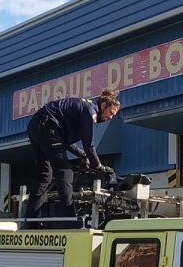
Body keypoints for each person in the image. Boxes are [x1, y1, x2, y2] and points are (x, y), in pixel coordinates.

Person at [25, 88, 121, 218]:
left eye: (113, 115)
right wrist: (99, 166)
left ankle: (30, 220)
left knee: (44, 175)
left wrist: (82, 155)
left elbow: (65, 142)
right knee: (65, 171)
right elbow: (89, 145)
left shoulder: (81, 111)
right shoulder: (90, 110)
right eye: (110, 112)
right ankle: (68, 218)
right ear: (103, 105)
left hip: (37, 126)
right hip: (48, 126)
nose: (110, 117)